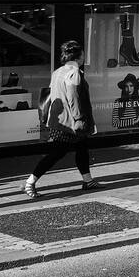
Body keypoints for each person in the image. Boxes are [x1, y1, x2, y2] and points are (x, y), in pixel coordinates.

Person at [25, 40, 99, 198]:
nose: (84, 57)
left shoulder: (58, 72)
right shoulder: (75, 73)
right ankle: (30, 181)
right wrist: (79, 119)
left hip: (60, 120)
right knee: (57, 153)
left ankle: (88, 180)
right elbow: (74, 98)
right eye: (83, 54)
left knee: (82, 148)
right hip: (70, 122)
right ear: (79, 56)